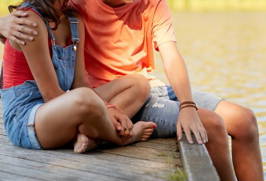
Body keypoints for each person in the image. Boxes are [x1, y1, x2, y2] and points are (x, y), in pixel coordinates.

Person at [0, 0, 266, 181]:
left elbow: (169, 56)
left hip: (133, 90)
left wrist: (187, 104)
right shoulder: (67, 8)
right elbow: (51, 83)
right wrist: (3, 22)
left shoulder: (86, 15)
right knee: (211, 124)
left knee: (243, 120)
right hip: (62, 106)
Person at [0, 0, 156, 154]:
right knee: (85, 98)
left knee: (139, 84)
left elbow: (80, 83)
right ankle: (121, 138)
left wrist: (107, 107)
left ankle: (91, 135)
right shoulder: (29, 20)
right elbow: (51, 94)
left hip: (63, 107)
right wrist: (107, 109)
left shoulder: (74, 20)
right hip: (28, 120)